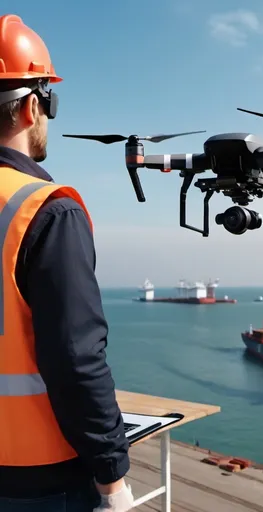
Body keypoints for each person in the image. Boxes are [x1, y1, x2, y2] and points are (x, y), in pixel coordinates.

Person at [0, 14, 134, 512]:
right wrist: (112, 479)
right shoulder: (46, 210)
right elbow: (76, 362)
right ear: (34, 105)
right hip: (39, 481)